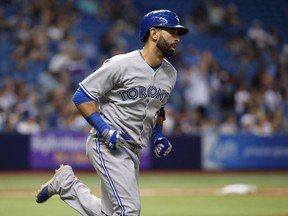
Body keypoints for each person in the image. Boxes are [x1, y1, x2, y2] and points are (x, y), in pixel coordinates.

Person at [35, 9, 189, 216]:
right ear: (154, 33)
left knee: (109, 213)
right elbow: (82, 96)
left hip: (133, 150)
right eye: (172, 31)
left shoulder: (170, 73)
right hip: (108, 144)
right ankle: (67, 184)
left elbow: (158, 109)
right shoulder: (121, 64)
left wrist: (158, 135)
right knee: (128, 210)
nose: (177, 38)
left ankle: (67, 185)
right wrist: (105, 130)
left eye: (178, 33)